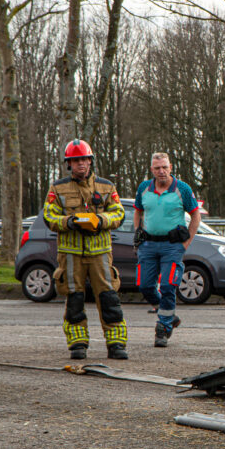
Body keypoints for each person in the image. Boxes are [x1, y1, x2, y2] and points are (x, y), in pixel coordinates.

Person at [43, 139, 128, 360]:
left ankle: (116, 343)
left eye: (84, 159)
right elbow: (49, 215)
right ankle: (78, 344)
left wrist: (100, 220)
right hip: (71, 255)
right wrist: (68, 222)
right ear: (68, 164)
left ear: (91, 161)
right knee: (74, 300)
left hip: (100, 253)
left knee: (109, 298)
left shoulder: (107, 187)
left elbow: (119, 213)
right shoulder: (57, 188)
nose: (81, 164)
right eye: (76, 160)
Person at [133, 153, 201, 348]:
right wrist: (138, 232)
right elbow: (138, 210)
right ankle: (169, 314)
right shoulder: (144, 188)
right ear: (151, 170)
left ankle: (163, 328)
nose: (161, 171)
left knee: (168, 286)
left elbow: (196, 216)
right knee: (145, 286)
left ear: (171, 167)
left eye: (164, 167)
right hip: (148, 245)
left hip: (172, 246)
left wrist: (185, 243)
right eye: (157, 168)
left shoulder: (182, 189)